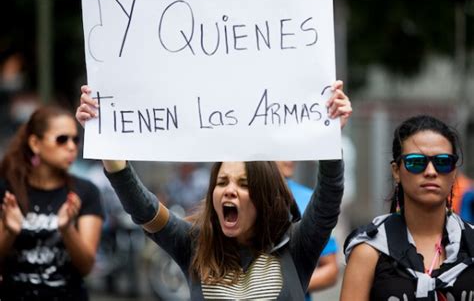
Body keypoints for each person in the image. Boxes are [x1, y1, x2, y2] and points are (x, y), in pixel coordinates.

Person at [76, 80, 352, 300]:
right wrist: (108, 145)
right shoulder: (194, 244)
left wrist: (329, 134)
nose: (229, 191)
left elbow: (328, 198)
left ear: (265, 197)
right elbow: (143, 209)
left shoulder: (296, 244)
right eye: (222, 182)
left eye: (243, 184)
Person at [341, 115, 474, 301]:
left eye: (443, 162)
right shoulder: (368, 251)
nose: (430, 172)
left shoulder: (470, 241)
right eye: (416, 162)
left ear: (454, 173)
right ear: (396, 171)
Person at [0, 106, 104, 301]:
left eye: (76, 139)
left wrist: (67, 229)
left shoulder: (85, 191)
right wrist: (9, 231)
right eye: (62, 139)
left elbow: (87, 266)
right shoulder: (8, 191)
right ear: (35, 143)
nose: (72, 146)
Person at [276, 161, 339, 300]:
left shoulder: (310, 200)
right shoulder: (241, 196)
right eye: (281, 152)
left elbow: (330, 269)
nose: (290, 160)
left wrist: (284, 287)